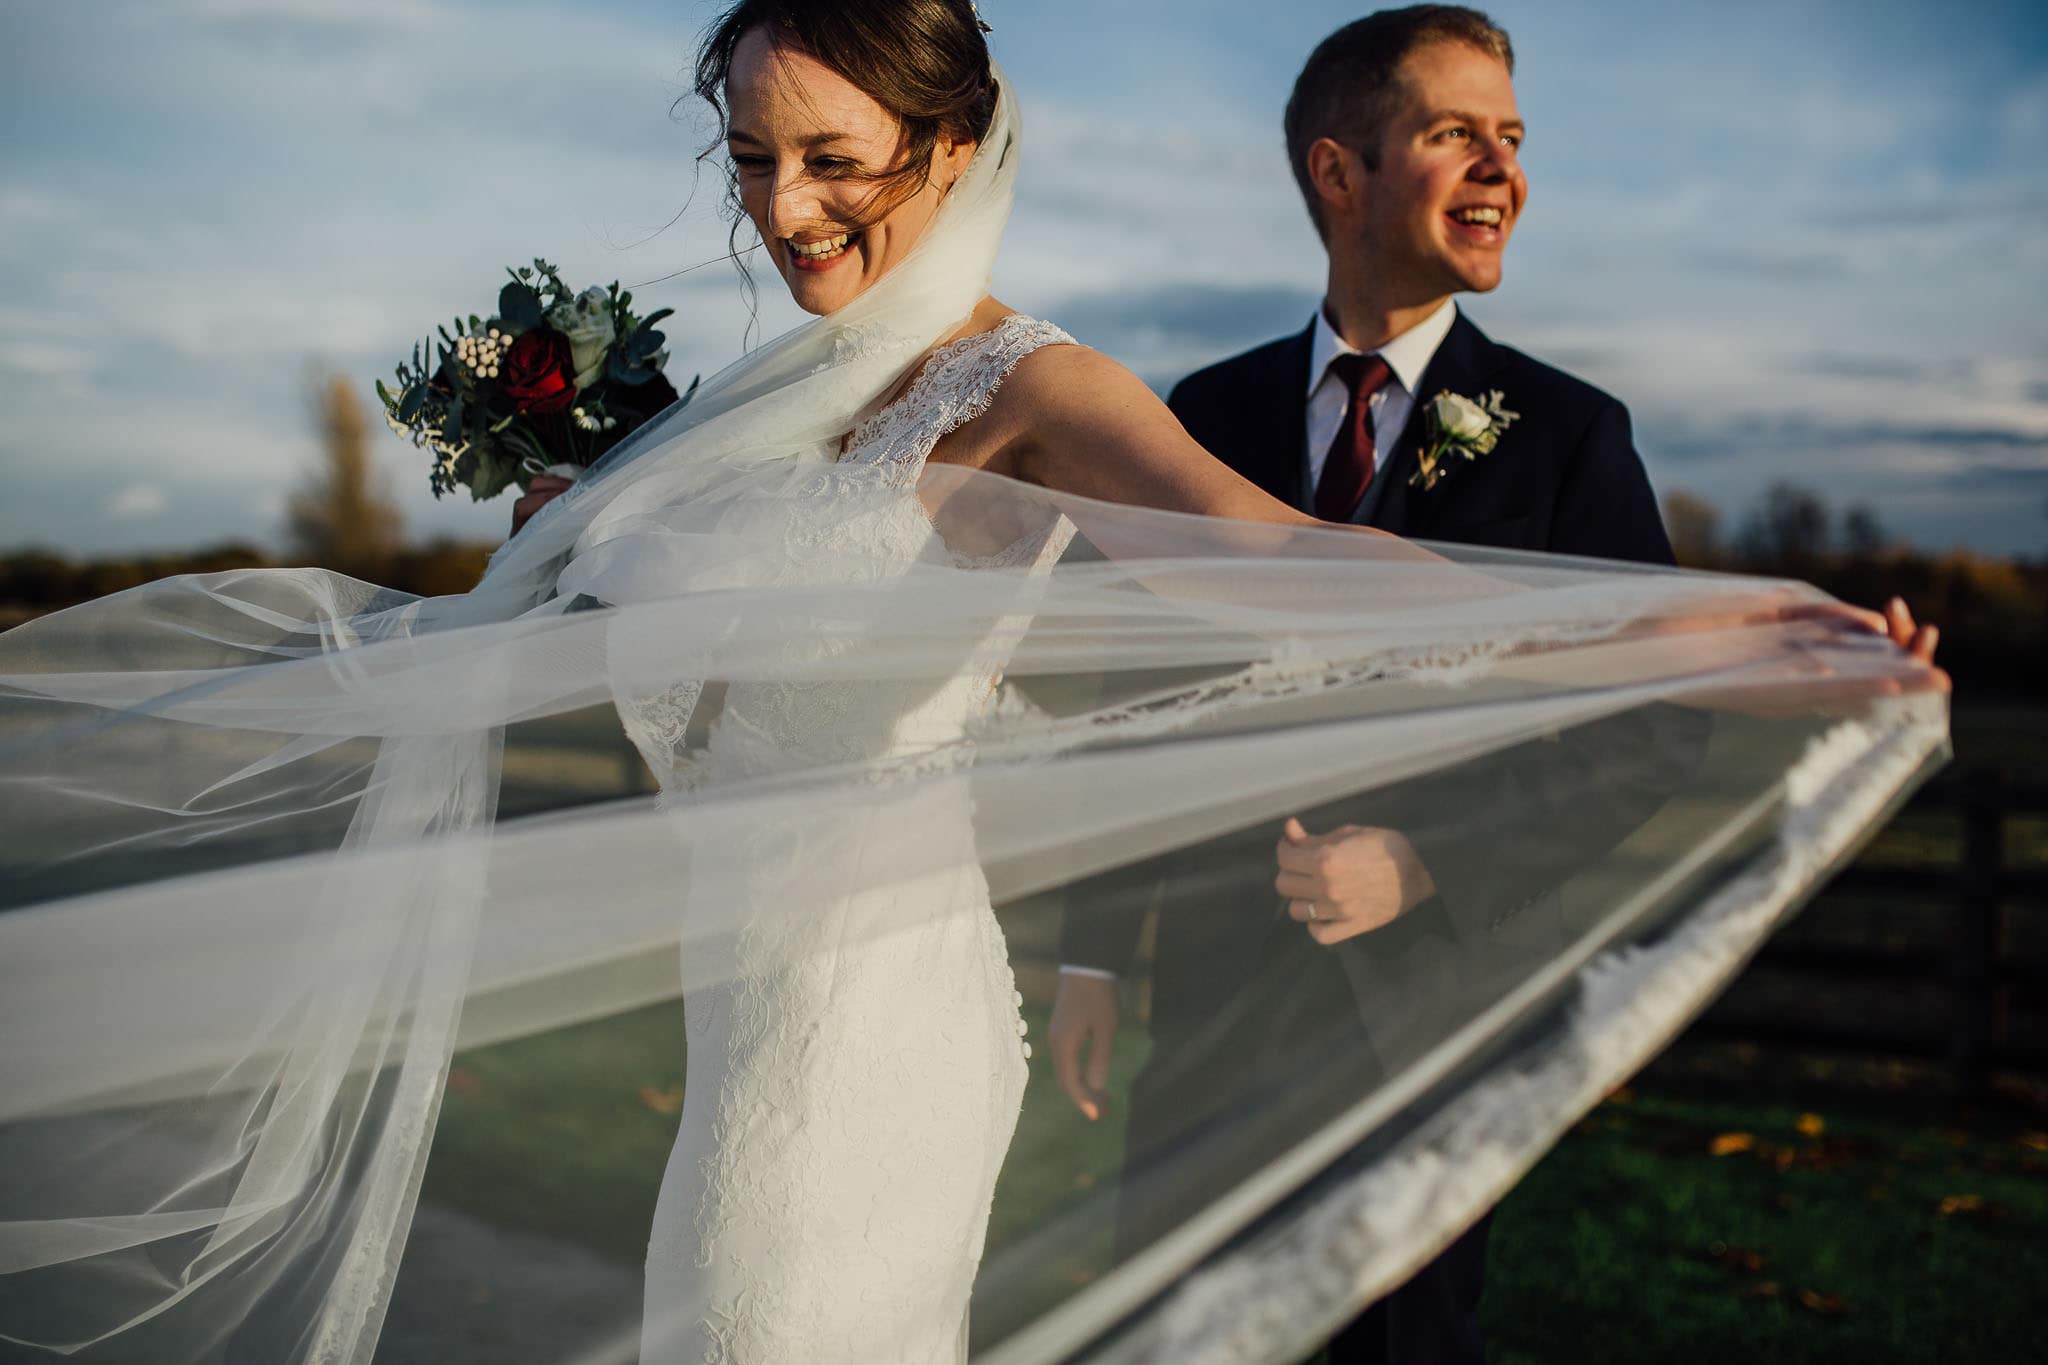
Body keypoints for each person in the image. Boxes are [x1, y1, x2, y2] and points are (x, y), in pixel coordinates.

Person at [0, 4, 1942, 1363]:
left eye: (831, 159)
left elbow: (1294, 565)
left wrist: (1714, 627)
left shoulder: (1041, 393)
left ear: (946, 149)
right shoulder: (753, 416)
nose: (779, 206)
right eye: (751, 156)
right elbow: (671, 669)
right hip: (740, 1024)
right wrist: (587, 531)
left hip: (872, 1028)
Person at [1047, 9, 1943, 1364]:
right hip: (1213, 1029)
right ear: (1338, 173)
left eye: (1513, 140)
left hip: (1420, 1018)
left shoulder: (1573, 436)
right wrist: (1095, 949)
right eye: (1455, 133)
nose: (1503, 170)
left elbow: (1651, 725)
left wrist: (1422, 859)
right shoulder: (1202, 413)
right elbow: (1133, 691)